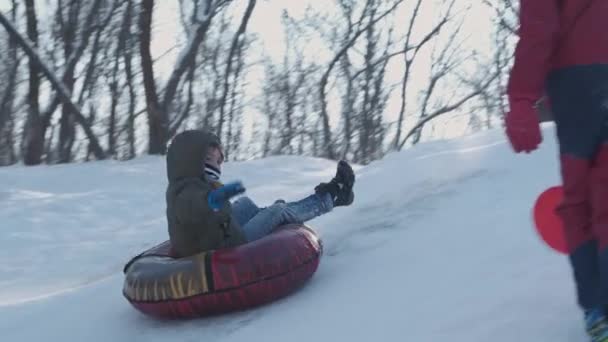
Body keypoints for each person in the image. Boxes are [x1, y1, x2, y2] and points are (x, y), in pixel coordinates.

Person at [504, 0, 608, 340]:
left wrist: (521, 98)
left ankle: (598, 311)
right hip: (580, 83)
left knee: (579, 201)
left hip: (576, 87)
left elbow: (538, 29)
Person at [165, 129, 355, 258]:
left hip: (215, 235)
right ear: (190, 162)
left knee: (246, 204)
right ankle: (332, 197)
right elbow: (196, 208)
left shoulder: (191, 183)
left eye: (218, 161)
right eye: (208, 159)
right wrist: (217, 197)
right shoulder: (185, 192)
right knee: (278, 211)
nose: (216, 165)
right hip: (222, 246)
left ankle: (279, 214)